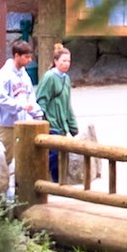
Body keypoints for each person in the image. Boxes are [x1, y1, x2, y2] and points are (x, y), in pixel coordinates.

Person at [36, 43, 78, 185]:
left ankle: (60, 182)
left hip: (62, 124)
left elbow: (67, 103)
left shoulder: (66, 78)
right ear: (55, 61)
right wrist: (43, 120)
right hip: (52, 122)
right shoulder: (49, 77)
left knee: (62, 153)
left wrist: (72, 125)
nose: (66, 64)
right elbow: (41, 99)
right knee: (54, 155)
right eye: (63, 61)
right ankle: (55, 183)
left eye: (68, 61)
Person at [0, 38, 43, 127]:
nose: (30, 60)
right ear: (17, 56)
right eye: (26, 57)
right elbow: (1, 98)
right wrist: (20, 106)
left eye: (30, 57)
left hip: (24, 123)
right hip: (8, 125)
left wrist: (37, 113)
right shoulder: (4, 74)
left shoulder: (25, 75)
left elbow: (30, 95)